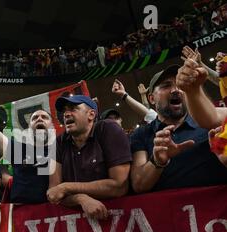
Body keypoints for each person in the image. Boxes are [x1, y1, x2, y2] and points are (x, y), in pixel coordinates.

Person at [130, 64, 227, 194]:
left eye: (179, 85)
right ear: (151, 98)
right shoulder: (141, 133)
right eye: (166, 85)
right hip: (168, 212)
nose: (176, 90)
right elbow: (138, 185)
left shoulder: (210, 125)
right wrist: (157, 161)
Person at [47, 95, 132, 219]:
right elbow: (54, 193)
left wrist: (66, 187)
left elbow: (120, 186)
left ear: (91, 115)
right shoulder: (58, 142)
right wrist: (81, 199)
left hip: (121, 217)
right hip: (79, 224)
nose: (66, 114)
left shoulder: (108, 128)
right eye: (65, 110)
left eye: (73, 108)